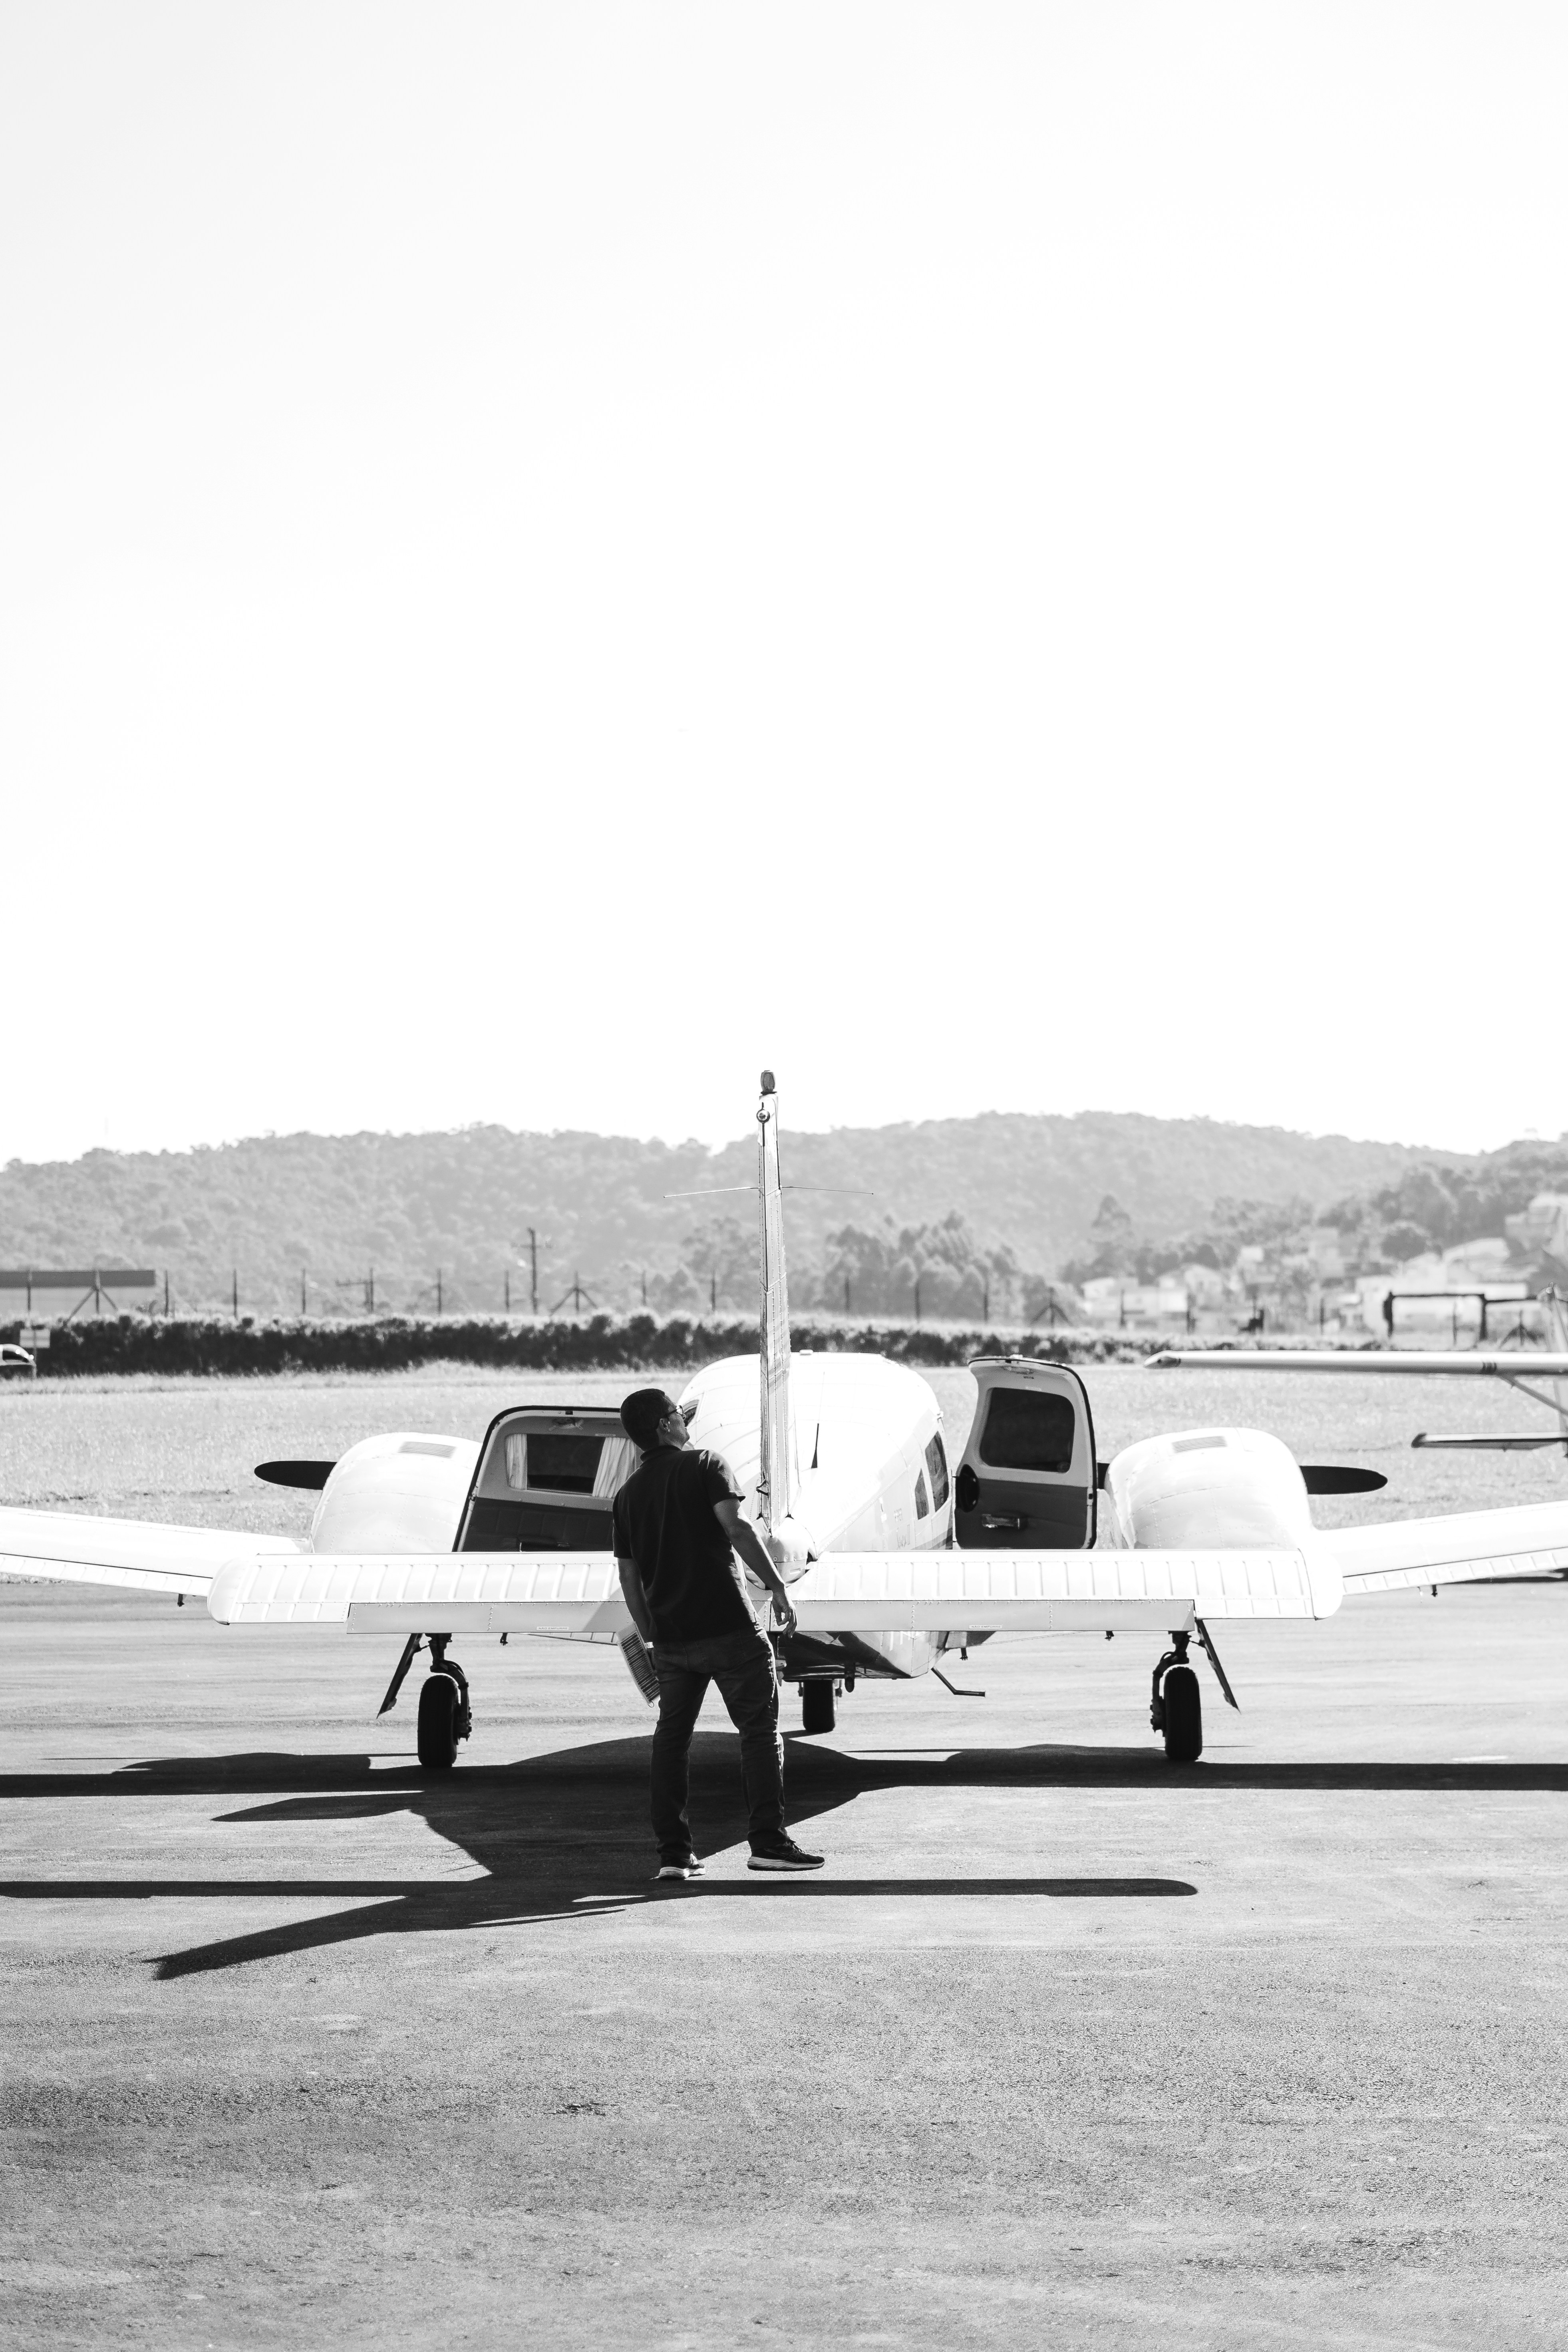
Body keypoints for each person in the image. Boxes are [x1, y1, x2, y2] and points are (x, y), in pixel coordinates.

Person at [612, 1386, 824, 1879]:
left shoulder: (627, 1496)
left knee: (671, 1741)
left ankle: (674, 1855)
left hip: (672, 1640)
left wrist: (652, 1633)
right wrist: (778, 1587)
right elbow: (738, 1529)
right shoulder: (706, 1464)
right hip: (730, 1629)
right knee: (759, 1734)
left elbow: (628, 1576)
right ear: (665, 1426)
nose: (685, 1421)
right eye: (678, 1414)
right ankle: (768, 1843)